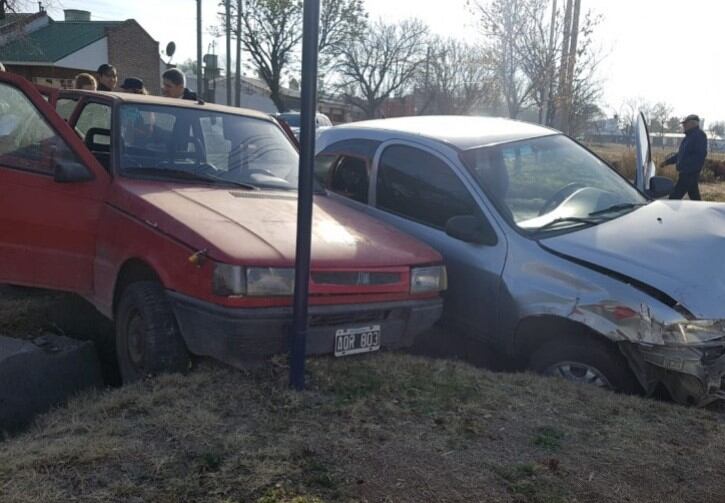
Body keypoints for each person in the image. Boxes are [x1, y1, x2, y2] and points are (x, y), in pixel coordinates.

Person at [660, 114, 708, 201]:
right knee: (695, 198)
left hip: (689, 174)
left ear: (693, 124)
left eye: (686, 123)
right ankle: (700, 212)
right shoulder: (689, 137)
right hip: (686, 173)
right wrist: (667, 162)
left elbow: (699, 156)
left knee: (674, 199)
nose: (684, 125)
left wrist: (688, 170)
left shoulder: (699, 136)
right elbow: (681, 155)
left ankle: (668, 214)